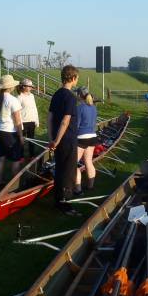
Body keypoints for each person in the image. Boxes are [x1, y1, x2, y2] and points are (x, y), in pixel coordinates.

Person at [48, 65, 81, 216]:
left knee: (60, 169)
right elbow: (65, 121)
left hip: (57, 138)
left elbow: (50, 118)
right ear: (73, 78)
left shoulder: (56, 94)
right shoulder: (70, 97)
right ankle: (66, 205)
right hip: (67, 139)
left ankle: (58, 200)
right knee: (68, 172)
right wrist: (57, 140)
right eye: (77, 78)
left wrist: (52, 139)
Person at [0, 75, 24, 185]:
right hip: (9, 133)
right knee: (15, 159)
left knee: (0, 158)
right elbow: (18, 121)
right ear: (10, 87)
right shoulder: (13, 100)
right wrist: (20, 136)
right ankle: (15, 184)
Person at [75, 86, 98, 194]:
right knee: (88, 162)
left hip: (82, 138)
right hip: (92, 136)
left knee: (73, 164)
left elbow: (77, 125)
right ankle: (91, 186)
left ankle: (78, 190)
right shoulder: (94, 107)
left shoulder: (79, 108)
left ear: (79, 95)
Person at [17, 78, 39, 160]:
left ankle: (32, 155)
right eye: (29, 86)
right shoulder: (19, 97)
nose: (31, 88)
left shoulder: (32, 96)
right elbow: (17, 111)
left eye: (31, 86)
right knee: (21, 140)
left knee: (31, 139)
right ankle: (20, 156)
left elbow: (34, 108)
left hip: (31, 121)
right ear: (23, 87)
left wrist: (36, 120)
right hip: (23, 122)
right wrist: (19, 122)